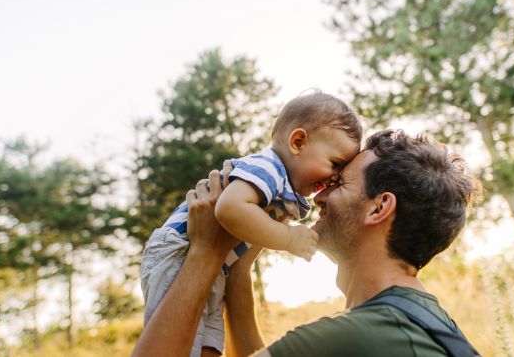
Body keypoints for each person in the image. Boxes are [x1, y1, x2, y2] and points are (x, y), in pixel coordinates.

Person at [133, 129, 483, 357]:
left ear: (379, 207)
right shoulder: (429, 325)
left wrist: (206, 252)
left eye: (339, 183)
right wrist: (238, 268)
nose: (318, 196)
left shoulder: (351, 340)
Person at [140, 92, 362, 357]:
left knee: (210, 341)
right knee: (183, 341)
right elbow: (229, 208)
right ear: (298, 142)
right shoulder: (268, 168)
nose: (334, 178)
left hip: (216, 266)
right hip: (179, 250)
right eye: (335, 164)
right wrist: (287, 238)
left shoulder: (282, 188)